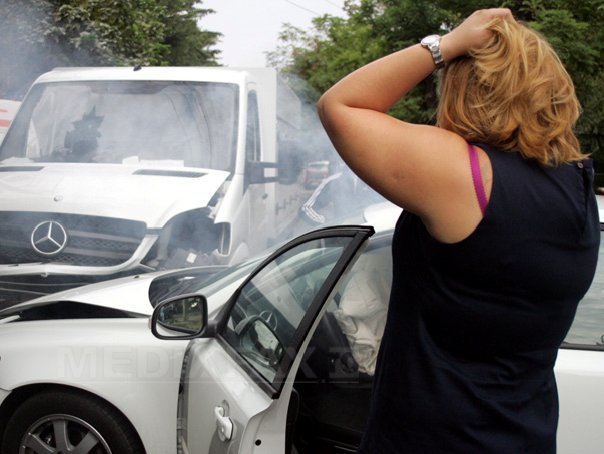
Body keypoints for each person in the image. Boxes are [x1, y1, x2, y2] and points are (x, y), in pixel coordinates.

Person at [318, 8, 600, 454]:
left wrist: (446, 45)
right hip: (526, 436)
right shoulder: (577, 184)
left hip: (434, 440)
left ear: (468, 89)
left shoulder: (467, 175)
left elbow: (341, 105)